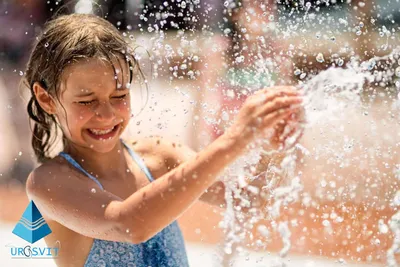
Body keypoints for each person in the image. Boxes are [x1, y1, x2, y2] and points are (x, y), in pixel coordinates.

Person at [23, 13, 303, 267]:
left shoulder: (160, 156)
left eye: (119, 96)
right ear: (46, 98)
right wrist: (234, 140)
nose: (106, 114)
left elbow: (247, 201)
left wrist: (273, 148)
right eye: (87, 101)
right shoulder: (49, 183)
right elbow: (128, 225)